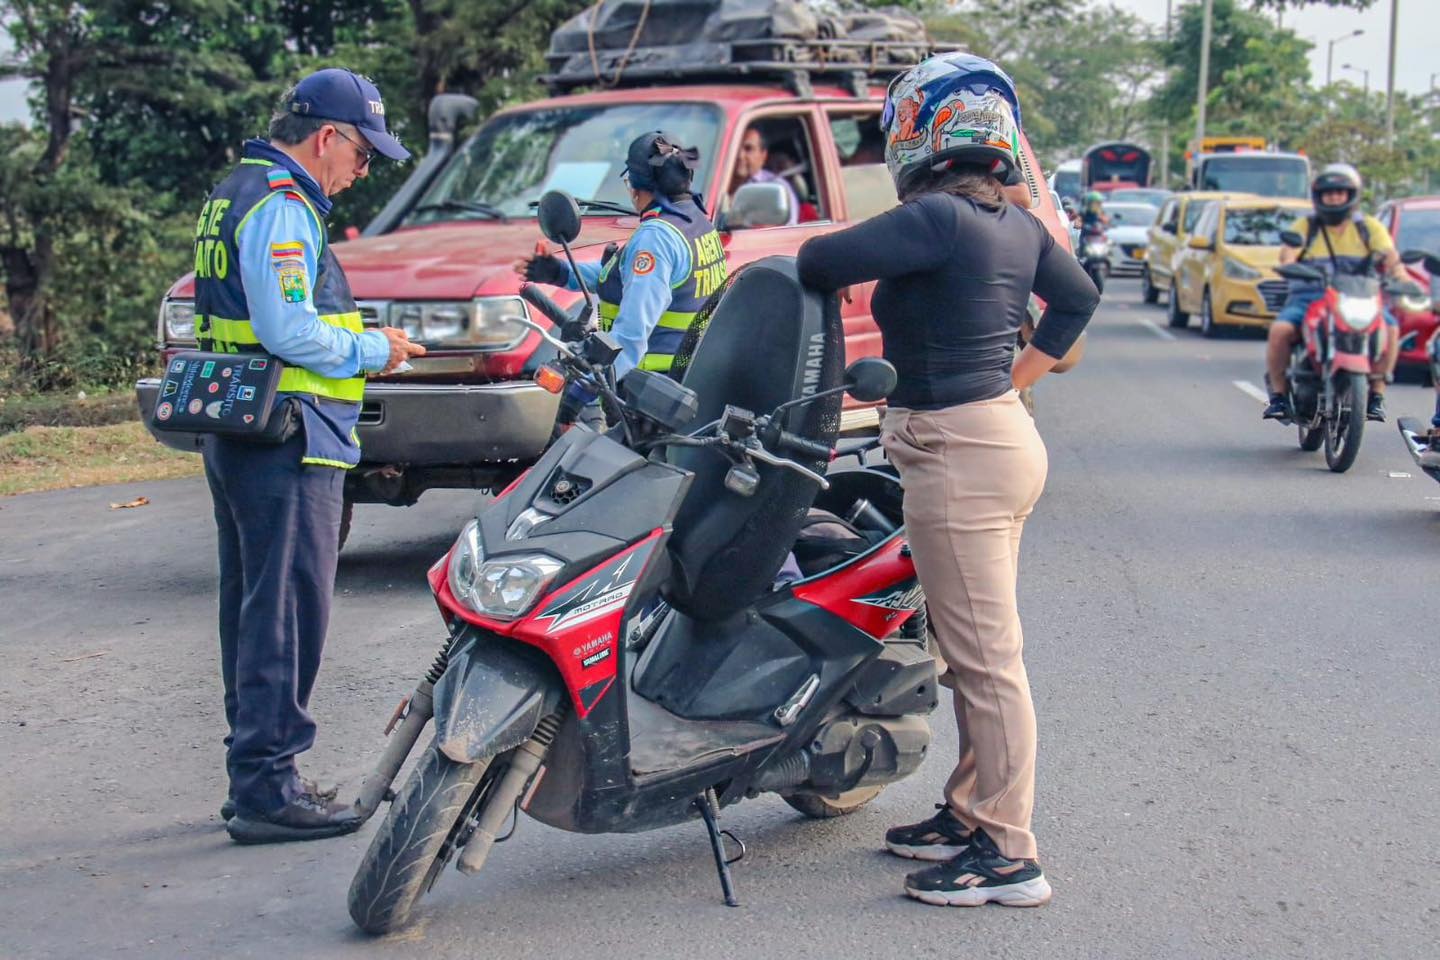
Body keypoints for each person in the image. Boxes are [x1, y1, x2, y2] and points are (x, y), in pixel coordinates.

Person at [797, 52, 1098, 908]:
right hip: (993, 437)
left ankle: (1009, 854)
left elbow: (822, 260)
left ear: (922, 132)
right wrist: (1017, 379)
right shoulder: (1018, 224)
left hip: (959, 453)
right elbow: (1076, 303)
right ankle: (969, 812)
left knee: (988, 661)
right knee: (969, 651)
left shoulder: (937, 220)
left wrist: (1006, 383)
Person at [196, 68, 424, 844]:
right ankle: (268, 788)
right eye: (362, 155)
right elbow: (290, 329)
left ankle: (257, 777)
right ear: (326, 137)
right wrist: (373, 348)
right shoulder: (283, 206)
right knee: (287, 615)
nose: (362, 173)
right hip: (290, 435)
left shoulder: (237, 189)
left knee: (256, 610)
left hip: (247, 430)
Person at [515, 131, 727, 383]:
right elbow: (630, 275)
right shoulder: (695, 221)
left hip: (649, 389)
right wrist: (560, 273)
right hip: (690, 378)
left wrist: (585, 389)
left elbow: (631, 335)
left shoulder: (656, 238)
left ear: (637, 188)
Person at [1263, 163, 1404, 423]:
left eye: (1341, 192)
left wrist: (1402, 279)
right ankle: (1279, 396)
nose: (1335, 197)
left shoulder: (1369, 227)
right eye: (1329, 193)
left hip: (1359, 297)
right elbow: (1288, 254)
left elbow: (1391, 258)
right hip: (1310, 297)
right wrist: (1288, 264)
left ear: (1351, 196)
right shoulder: (1306, 226)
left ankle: (1376, 394)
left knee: (1391, 329)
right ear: (1319, 196)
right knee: (1280, 331)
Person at [728, 126, 800, 225]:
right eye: (735, 148)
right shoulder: (718, 183)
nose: (740, 155)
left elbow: (787, 230)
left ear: (763, 155)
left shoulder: (775, 187)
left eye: (748, 149)